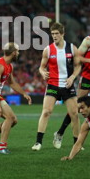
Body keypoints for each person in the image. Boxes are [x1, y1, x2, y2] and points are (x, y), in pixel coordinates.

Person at [32, 22, 82, 151]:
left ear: (62, 34)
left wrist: (72, 77)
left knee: (74, 114)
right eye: (52, 34)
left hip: (67, 85)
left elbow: (78, 66)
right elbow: (41, 67)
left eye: (56, 34)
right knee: (46, 112)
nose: (54, 36)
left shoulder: (72, 48)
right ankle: (38, 142)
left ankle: (76, 143)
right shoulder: (48, 50)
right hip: (53, 84)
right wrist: (43, 73)